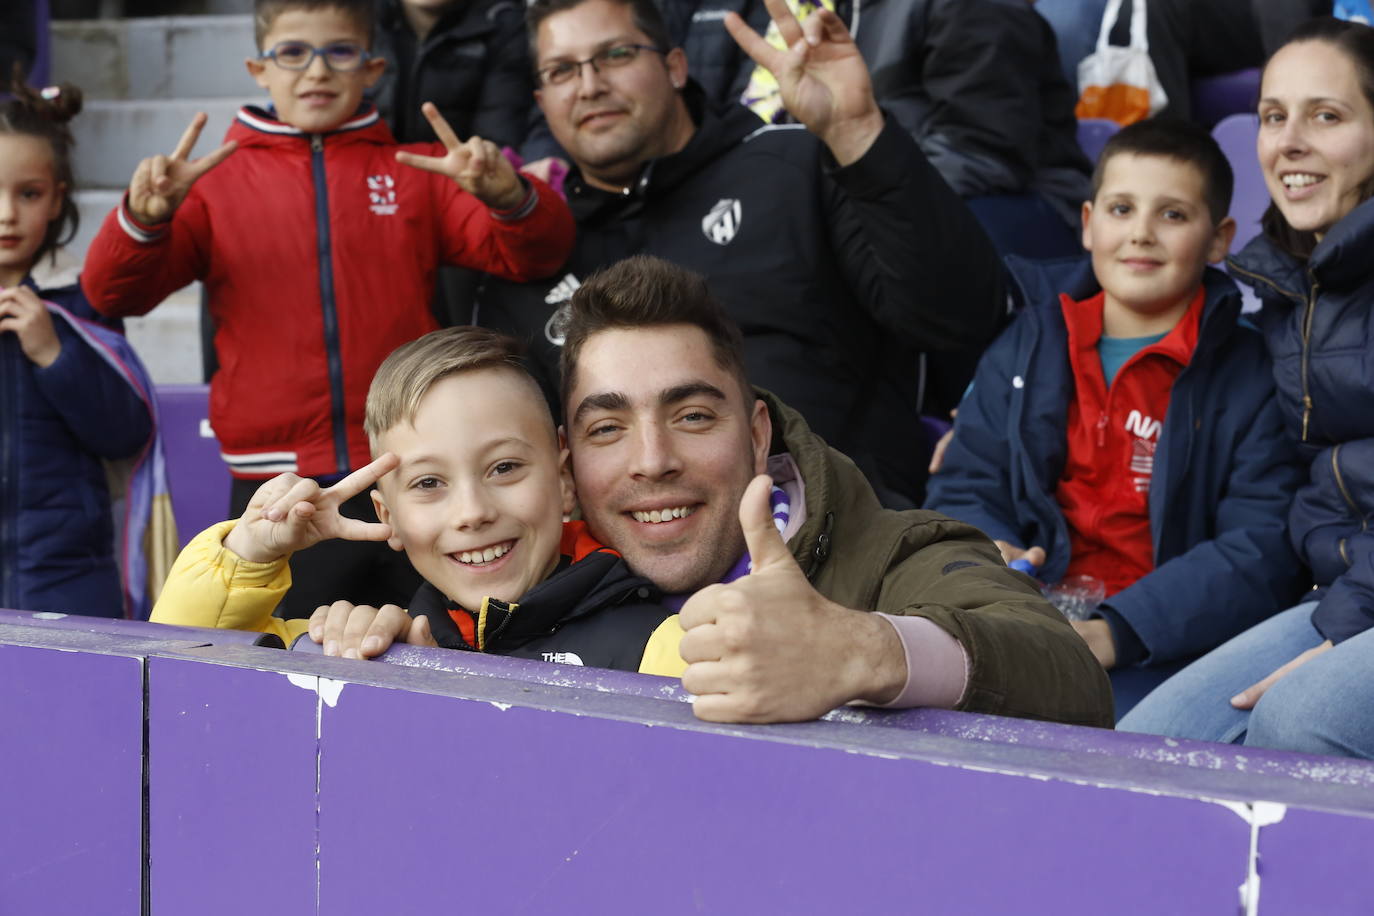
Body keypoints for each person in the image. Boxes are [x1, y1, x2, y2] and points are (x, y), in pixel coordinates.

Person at [326, 255, 1115, 727]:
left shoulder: (886, 551)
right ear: (566, 469)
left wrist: (863, 650)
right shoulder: (518, 580)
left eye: (692, 415)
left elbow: (1071, 679)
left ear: (759, 433)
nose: (653, 460)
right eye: (607, 429)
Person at [79, 0, 575, 618]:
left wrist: (508, 195)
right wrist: (142, 218)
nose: (316, 71)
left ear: (372, 68)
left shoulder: (413, 171)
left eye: (338, 51)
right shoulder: (213, 186)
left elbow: (534, 254)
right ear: (259, 69)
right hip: (281, 484)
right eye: (293, 53)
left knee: (439, 652)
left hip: (409, 470)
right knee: (289, 661)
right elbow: (109, 293)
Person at [473, 0, 1007, 509]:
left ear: (677, 66)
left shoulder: (797, 168)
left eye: (616, 55)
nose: (590, 86)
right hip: (634, 575)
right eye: (562, 71)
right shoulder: (529, 257)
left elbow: (960, 316)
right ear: (542, 103)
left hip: (845, 538)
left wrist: (860, 134)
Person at [924, 118, 1307, 719]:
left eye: (1173, 215)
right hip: (1018, 618)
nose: (1141, 234)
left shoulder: (1250, 371)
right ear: (1087, 224)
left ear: (1219, 238)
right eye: (1121, 209)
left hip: (1166, 644)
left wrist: (1115, 633)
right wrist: (986, 550)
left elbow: (1259, 545)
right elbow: (966, 480)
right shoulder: (1029, 342)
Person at [1119, 18, 1374, 759]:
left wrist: (1346, 625)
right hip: (1340, 592)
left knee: (1298, 725)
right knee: (1143, 751)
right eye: (1272, 117)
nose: (1289, 141)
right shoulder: (1294, 292)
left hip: (1355, 602)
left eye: (1326, 116)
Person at [152, 326, 681, 672]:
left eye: (504, 468)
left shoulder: (661, 649)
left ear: (564, 480)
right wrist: (248, 553)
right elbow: (179, 666)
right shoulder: (376, 648)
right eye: (429, 483)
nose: (473, 512)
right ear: (389, 518)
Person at [0, 79, 172, 619]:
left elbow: (125, 432)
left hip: (69, 571)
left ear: (57, 196)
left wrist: (55, 354)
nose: (7, 213)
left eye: (28, 194)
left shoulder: (86, 295)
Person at [370, 0, 534, 148]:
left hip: (461, 175)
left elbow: (497, 141)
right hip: (371, 174)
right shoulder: (362, 16)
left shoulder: (506, 23)